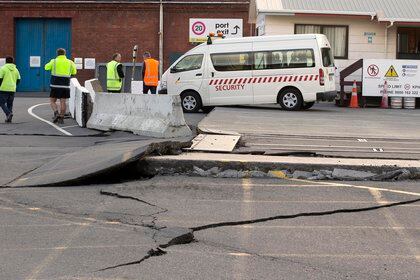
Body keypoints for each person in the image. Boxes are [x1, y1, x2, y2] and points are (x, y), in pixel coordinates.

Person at [45, 48, 77, 124]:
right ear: (65, 54)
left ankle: (56, 113)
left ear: (57, 54)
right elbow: (74, 72)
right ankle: (61, 118)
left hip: (55, 85)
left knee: (52, 101)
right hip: (65, 85)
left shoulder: (54, 61)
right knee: (63, 102)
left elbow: (46, 67)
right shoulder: (70, 62)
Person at [0, 56, 21, 123]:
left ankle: (8, 113)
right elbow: (18, 79)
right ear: (12, 61)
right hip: (12, 89)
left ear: (6, 61)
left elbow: (0, 78)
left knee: (1, 102)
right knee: (10, 103)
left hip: (4, 88)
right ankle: (9, 118)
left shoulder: (3, 68)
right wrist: (14, 85)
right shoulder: (16, 69)